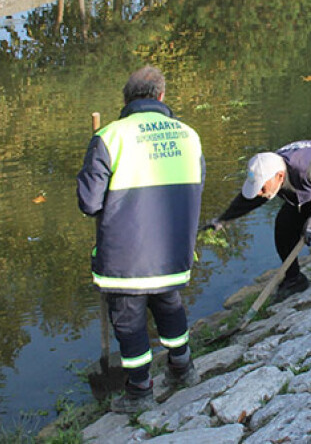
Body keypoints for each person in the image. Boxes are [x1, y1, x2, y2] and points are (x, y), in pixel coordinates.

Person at [76, 66, 203, 414]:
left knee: (129, 321)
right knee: (169, 304)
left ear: (126, 99)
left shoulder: (109, 137)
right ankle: (183, 368)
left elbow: (89, 203)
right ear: (161, 96)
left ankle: (140, 391)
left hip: (125, 258)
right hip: (173, 249)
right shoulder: (189, 135)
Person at [205, 138, 311, 298]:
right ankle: (294, 279)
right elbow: (250, 200)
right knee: (284, 224)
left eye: (262, 188)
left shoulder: (307, 170)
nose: (260, 193)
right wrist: (222, 220)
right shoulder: (269, 171)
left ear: (279, 177)